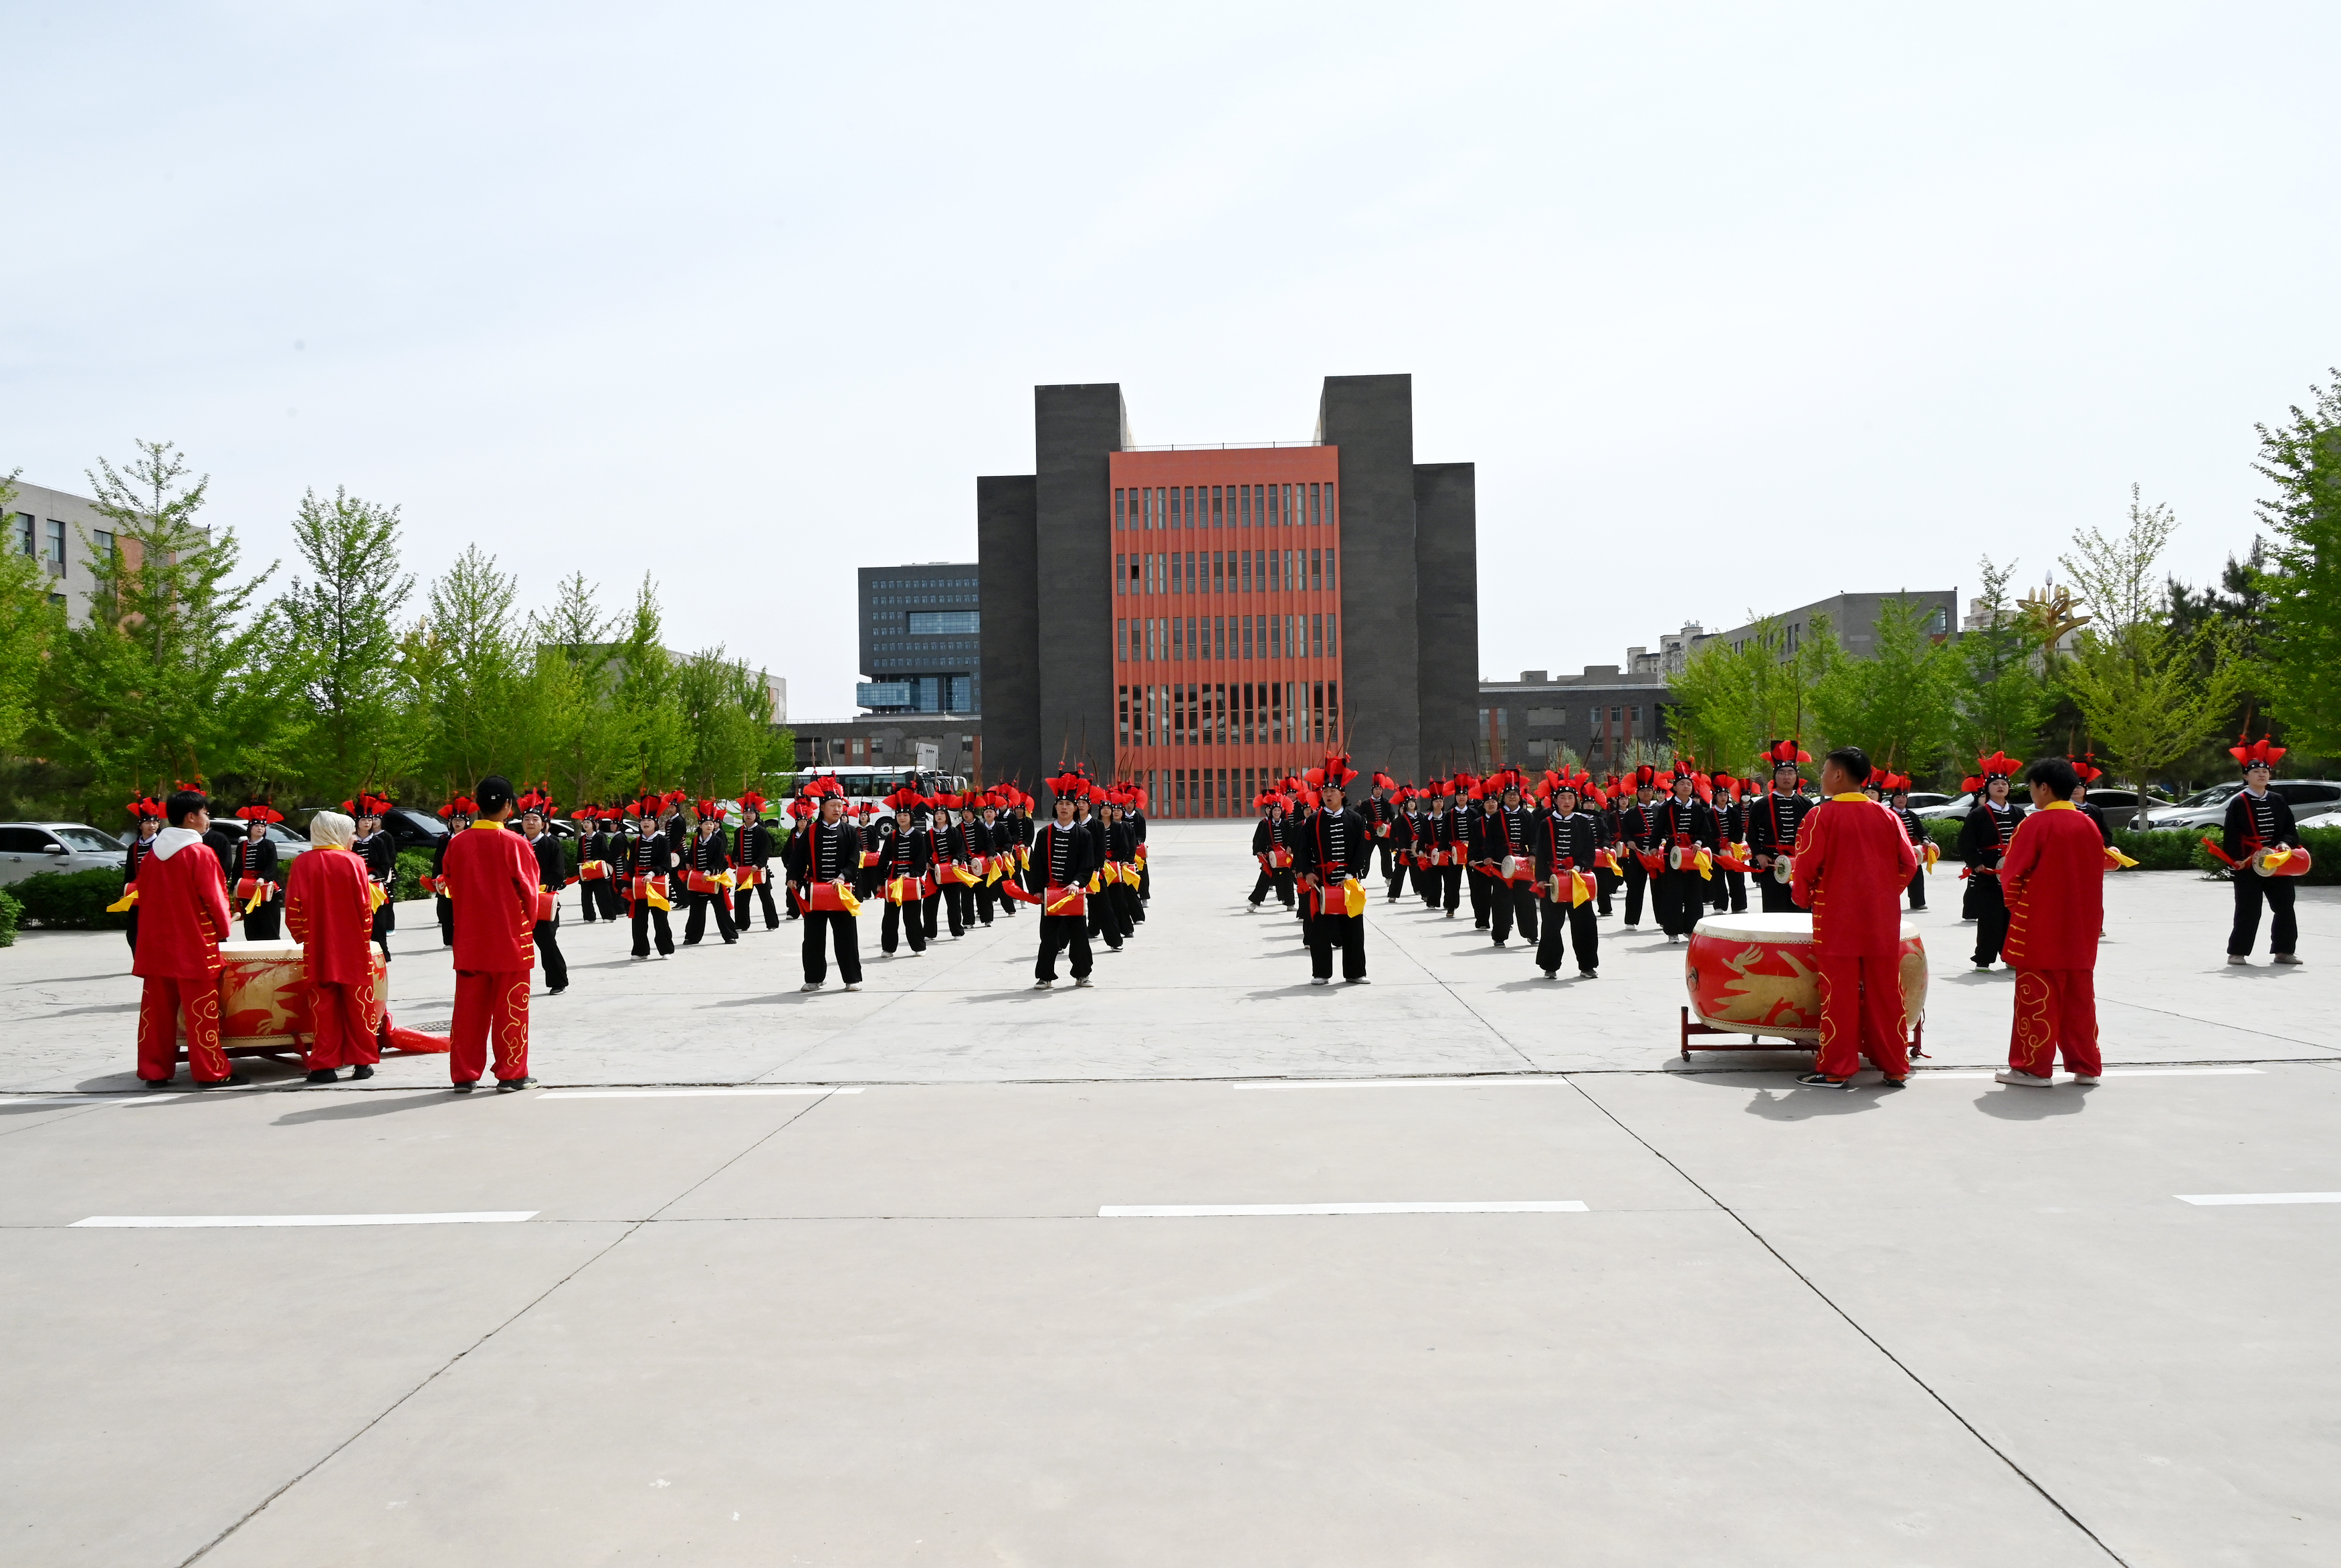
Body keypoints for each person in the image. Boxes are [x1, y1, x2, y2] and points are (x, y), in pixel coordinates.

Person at [1789, 747, 1922, 1089]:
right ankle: (1895, 1066)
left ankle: (1837, 1068)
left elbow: (1805, 867)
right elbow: (1909, 863)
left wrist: (1803, 897)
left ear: (1837, 775)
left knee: (1839, 993)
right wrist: (1884, 893)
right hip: (1881, 919)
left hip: (1837, 918)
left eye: (1824, 770)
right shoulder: (1887, 815)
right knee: (1886, 991)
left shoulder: (1821, 816)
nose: (1821, 776)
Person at [1989, 756, 2109, 1087]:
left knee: (2037, 997)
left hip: (2041, 924)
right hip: (2082, 925)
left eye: (2031, 786)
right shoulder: (2088, 824)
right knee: (2079, 998)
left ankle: (2032, 1068)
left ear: (2044, 787)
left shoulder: (2036, 824)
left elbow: (2012, 875)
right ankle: (2086, 1067)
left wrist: (2019, 906)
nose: (2031, 793)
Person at [132, 788, 241, 1089]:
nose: (208, 819)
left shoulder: (152, 855)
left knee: (156, 1013)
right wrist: (224, 927)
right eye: (205, 813)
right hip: (193, 945)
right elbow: (215, 898)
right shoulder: (199, 853)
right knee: (201, 1011)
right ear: (191, 817)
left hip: (155, 946)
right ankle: (210, 1071)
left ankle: (154, 1070)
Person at [442, 775, 539, 1092]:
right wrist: (527, 924)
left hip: (470, 939)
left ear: (477, 805)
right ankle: (511, 1074)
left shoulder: (457, 843)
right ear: (509, 806)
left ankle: (464, 1074)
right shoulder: (515, 843)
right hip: (509, 939)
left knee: (468, 1011)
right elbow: (530, 893)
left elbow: (451, 884)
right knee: (511, 1008)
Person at [286, 809, 383, 1084]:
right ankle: (362, 1062)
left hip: (318, 947)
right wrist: (364, 937)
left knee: (323, 1007)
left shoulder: (302, 863)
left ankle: (324, 1066)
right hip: (352, 947)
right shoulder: (354, 862)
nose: (353, 838)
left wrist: (304, 936)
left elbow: (293, 907)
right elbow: (365, 907)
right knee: (359, 1004)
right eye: (350, 833)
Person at [2223, 736, 2304, 966]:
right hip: (2248, 863)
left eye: (2265, 772)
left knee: (2285, 906)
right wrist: (2236, 860)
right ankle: (2237, 952)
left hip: (2275, 861)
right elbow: (2231, 835)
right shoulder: (2239, 802)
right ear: (2246, 777)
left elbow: (2289, 829)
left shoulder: (2278, 800)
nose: (2261, 775)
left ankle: (2284, 951)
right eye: (2256, 772)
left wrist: (2285, 843)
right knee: (2248, 910)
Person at [1295, 758, 1373, 985]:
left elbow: (1360, 851)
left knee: (1353, 929)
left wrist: (1350, 875)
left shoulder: (1356, 819)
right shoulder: (1314, 821)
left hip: (1348, 882)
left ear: (1342, 794)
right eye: (1325, 791)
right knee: (1320, 930)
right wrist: (1307, 872)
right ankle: (1321, 973)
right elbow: (1302, 850)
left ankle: (1355, 972)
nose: (1328, 795)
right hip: (1322, 881)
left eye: (1333, 791)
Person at [784, 785, 863, 992]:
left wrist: (842, 877)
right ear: (822, 808)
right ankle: (814, 978)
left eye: (840, 805)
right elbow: (798, 858)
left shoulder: (850, 831)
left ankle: (852, 978)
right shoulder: (811, 831)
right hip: (815, 892)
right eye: (833, 805)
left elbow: (854, 859)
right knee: (813, 938)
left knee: (846, 937)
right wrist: (793, 878)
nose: (837, 809)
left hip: (842, 892)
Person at [1957, 754, 2028, 970]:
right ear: (1988, 788)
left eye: (2004, 784)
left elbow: (2027, 841)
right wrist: (1975, 862)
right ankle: (1984, 958)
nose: (2000, 786)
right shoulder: (1978, 814)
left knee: (2011, 917)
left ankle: (2009, 956)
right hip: (1987, 873)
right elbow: (1965, 842)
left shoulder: (2018, 813)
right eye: (1995, 783)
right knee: (1990, 917)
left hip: (2013, 873)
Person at [1031, 776, 1098, 988]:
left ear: (1075, 808)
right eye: (1060, 803)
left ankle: (1082, 974)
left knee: (1079, 937)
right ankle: (1045, 976)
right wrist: (1037, 890)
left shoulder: (1084, 835)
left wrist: (1077, 883)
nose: (1064, 807)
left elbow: (1087, 865)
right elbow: (1036, 864)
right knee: (1049, 937)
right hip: (1050, 894)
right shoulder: (1044, 834)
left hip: (1073, 894)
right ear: (1055, 807)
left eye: (1068, 804)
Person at [1533, 781, 1601, 979]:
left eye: (1571, 798)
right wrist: (1541, 878)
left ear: (1575, 801)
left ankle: (1587, 965)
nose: (1567, 801)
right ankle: (1550, 965)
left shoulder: (1583, 822)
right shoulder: (1546, 823)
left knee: (1585, 923)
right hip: (1552, 880)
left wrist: (1578, 868)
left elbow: (1589, 851)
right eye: (1562, 798)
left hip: (1577, 880)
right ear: (1555, 801)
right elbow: (1541, 854)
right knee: (1551, 925)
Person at [1649, 766, 1720, 943]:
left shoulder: (1698, 808)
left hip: (1693, 853)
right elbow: (1658, 829)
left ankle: (1691, 928)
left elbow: (1706, 831)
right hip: (1673, 852)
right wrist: (1653, 846)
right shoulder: (1667, 807)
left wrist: (1699, 843)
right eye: (1682, 783)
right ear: (1675, 787)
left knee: (1694, 892)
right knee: (1673, 892)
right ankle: (1672, 930)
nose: (1686, 786)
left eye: (1689, 784)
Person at [1746, 741, 1813, 914]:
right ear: (1775, 777)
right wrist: (1759, 855)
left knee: (1801, 911)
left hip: (1800, 867)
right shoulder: (1761, 805)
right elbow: (1752, 835)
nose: (1786, 777)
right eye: (1782, 773)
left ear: (1796, 777)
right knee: (1774, 913)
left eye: (1791, 773)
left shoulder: (1806, 805)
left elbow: (1813, 835)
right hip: (1771, 865)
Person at [518, 796, 571, 993]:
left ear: (543, 824)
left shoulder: (551, 845)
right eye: (527, 819)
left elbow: (558, 875)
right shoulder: (515, 844)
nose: (530, 823)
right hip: (518, 903)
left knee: (547, 942)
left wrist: (538, 888)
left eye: (535, 819)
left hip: (543, 902)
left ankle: (558, 981)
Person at [623, 792, 678, 960]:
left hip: (657, 884)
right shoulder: (636, 842)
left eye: (649, 820)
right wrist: (625, 884)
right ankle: (640, 951)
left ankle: (666, 950)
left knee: (660, 919)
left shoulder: (662, 841)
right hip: (639, 886)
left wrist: (653, 873)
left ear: (656, 823)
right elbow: (630, 865)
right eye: (643, 820)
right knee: (639, 920)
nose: (646, 823)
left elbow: (666, 864)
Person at [878, 793, 931, 956]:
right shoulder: (892, 836)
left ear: (911, 817)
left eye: (905, 815)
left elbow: (921, 860)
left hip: (911, 881)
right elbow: (883, 859)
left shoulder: (918, 836)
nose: (902, 818)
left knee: (912, 917)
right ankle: (888, 948)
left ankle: (919, 947)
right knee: (890, 917)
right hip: (893, 880)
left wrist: (910, 873)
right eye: (899, 815)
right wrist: (880, 881)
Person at [681, 799, 740, 947]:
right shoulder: (696, 841)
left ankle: (729, 935)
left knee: (721, 909)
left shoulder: (717, 841)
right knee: (696, 910)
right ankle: (692, 937)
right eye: (706, 824)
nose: (709, 826)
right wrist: (688, 863)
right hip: (698, 880)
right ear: (700, 826)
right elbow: (690, 856)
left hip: (714, 878)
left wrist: (709, 871)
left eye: (711, 824)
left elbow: (720, 860)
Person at [348, 795, 398, 964]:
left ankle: (382, 955)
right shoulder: (351, 842)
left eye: (369, 820)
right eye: (363, 820)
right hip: (355, 885)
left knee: (378, 923)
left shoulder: (379, 842)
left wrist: (373, 876)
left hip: (375, 886)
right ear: (357, 822)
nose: (367, 823)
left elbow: (386, 864)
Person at [226, 806, 284, 941]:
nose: (260, 829)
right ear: (250, 828)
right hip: (248, 889)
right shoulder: (243, 846)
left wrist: (264, 878)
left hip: (265, 888)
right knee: (251, 925)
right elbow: (238, 867)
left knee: (269, 925)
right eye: (257, 826)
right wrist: (235, 885)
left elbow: (272, 865)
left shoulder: (269, 845)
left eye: (263, 826)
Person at [727, 792, 781, 932]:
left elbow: (765, 850)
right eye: (746, 813)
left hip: (759, 869)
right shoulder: (739, 832)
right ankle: (741, 924)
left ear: (756, 815)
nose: (748, 815)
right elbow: (736, 850)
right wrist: (736, 860)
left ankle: (772, 923)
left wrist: (758, 864)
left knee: (766, 897)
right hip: (744, 871)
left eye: (751, 813)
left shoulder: (761, 831)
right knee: (741, 898)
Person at [1618, 766, 1661, 929]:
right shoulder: (1631, 812)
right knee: (1635, 886)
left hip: (1656, 852)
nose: (1646, 793)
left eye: (1649, 790)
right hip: (1638, 853)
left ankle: (1663, 919)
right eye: (1643, 791)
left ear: (1653, 792)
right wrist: (1629, 841)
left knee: (1659, 887)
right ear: (1638, 793)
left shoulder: (1660, 810)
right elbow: (1624, 832)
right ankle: (1631, 920)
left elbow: (1665, 829)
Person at [120, 796, 164, 952]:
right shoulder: (134, 847)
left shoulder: (162, 844)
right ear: (140, 826)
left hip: (158, 893)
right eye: (148, 823)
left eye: (155, 822)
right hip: (137, 892)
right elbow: (130, 872)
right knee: (134, 933)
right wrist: (124, 892)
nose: (152, 826)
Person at [430, 795, 474, 945]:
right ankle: (448, 940)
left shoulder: (471, 838)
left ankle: (465, 938)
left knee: (465, 911)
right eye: (455, 820)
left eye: (460, 820)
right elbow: (438, 859)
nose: (457, 823)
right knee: (446, 910)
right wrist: (437, 877)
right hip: (446, 878)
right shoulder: (444, 840)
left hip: (465, 879)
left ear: (466, 822)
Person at [1884, 775, 1930, 911]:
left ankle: (1918, 902)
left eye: (1904, 797)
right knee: (1891, 878)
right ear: (1893, 799)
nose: (1901, 799)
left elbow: (1921, 831)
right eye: (1898, 797)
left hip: (1911, 850)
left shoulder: (1912, 815)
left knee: (1916, 875)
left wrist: (1925, 839)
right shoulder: (1888, 813)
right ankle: (1889, 903)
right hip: (1893, 851)